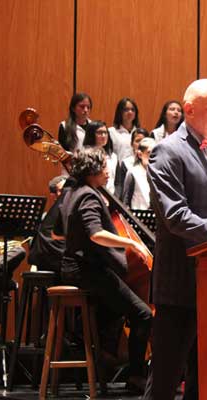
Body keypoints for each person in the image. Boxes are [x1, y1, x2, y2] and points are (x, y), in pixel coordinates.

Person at [144, 79, 207, 400]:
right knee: (165, 381)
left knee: (206, 381)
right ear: (189, 110)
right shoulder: (166, 152)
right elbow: (176, 216)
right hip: (179, 283)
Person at [53, 147, 152, 392]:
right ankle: (136, 378)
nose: (108, 172)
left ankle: (89, 343)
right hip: (88, 271)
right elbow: (96, 234)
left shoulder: (72, 192)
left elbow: (57, 233)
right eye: (104, 167)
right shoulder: (88, 195)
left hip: (74, 268)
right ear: (91, 171)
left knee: (117, 310)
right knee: (142, 315)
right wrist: (129, 242)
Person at [83, 120, 118, 195]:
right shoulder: (84, 155)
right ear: (91, 134)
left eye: (105, 132)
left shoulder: (113, 156)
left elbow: (117, 181)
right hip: (93, 195)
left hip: (111, 196)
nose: (103, 135)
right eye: (99, 133)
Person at [122, 138, 156, 210]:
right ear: (140, 154)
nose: (153, 156)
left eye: (155, 153)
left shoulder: (157, 173)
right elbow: (126, 201)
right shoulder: (133, 172)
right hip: (137, 217)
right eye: (149, 153)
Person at [109, 97, 141, 163]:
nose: (130, 112)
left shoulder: (140, 133)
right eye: (126, 109)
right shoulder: (111, 132)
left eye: (133, 110)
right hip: (118, 170)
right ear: (120, 112)